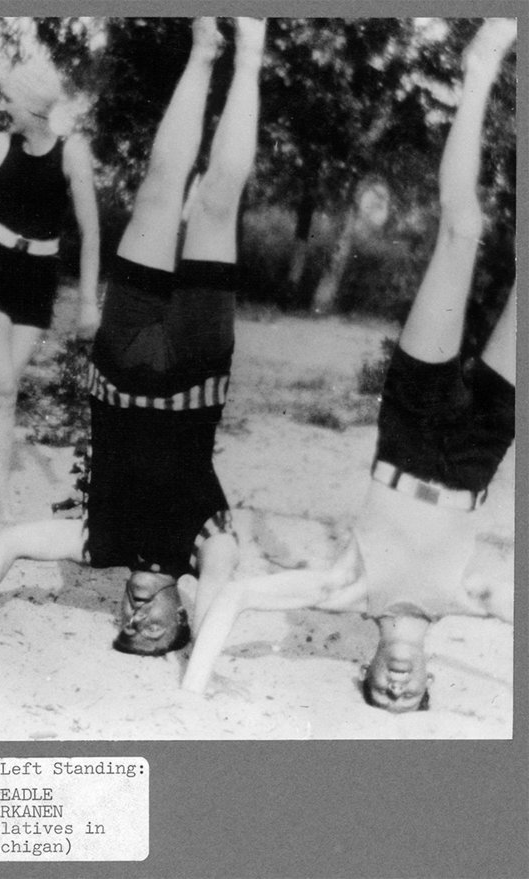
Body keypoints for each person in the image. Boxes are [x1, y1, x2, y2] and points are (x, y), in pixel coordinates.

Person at [180, 18, 518, 712]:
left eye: (379, 691)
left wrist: (189, 690)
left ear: (361, 670)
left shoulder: (345, 588)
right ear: (429, 682)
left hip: (411, 431)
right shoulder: (474, 597)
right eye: (409, 694)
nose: (396, 684)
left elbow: (240, 594)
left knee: (461, 234)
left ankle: (479, 68)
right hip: (481, 451)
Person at [0, 18, 266, 647]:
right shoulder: (206, 547)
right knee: (213, 205)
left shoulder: (99, 542)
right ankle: (251, 48)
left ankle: (204, 51)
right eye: (153, 630)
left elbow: (10, 542)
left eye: (126, 629)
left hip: (118, 365)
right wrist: (195, 670)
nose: (136, 618)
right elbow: (220, 600)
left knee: (155, 192)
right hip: (195, 371)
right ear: (181, 619)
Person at [0, 52, 101, 529]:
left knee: (2, 393)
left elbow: (91, 233)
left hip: (36, 280)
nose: (2, 104)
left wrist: (89, 301)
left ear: (30, 104)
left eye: (8, 97)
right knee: (4, 382)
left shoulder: (72, 153)